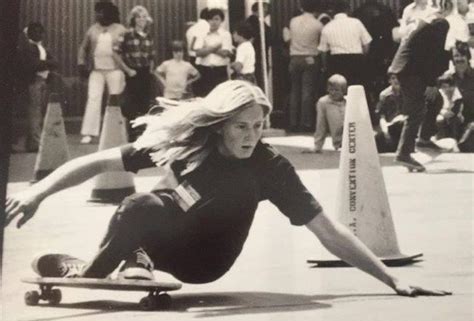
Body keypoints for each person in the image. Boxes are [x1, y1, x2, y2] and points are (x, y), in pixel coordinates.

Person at [5, 80, 451, 298]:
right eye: (241, 127)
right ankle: (127, 262)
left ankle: (95, 271)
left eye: (257, 127)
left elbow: (327, 230)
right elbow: (97, 161)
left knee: (144, 203)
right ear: (220, 126)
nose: (250, 137)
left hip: (208, 261)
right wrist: (37, 191)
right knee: (140, 203)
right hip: (165, 239)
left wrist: (392, 278)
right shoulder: (186, 143)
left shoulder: (270, 167)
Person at [388, 0, 453, 171]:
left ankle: (423, 138)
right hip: (411, 69)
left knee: (435, 100)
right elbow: (434, 54)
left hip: (406, 66)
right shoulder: (441, 22)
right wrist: (431, 82)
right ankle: (404, 153)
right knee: (416, 111)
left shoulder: (427, 19)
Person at [78, 1, 127, 145]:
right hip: (97, 71)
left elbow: (127, 48)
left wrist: (127, 69)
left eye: (100, 11)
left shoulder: (120, 29)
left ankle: (118, 131)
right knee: (93, 99)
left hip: (115, 71)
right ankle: (89, 133)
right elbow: (83, 47)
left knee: (116, 100)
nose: (97, 14)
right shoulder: (93, 29)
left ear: (108, 12)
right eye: (97, 12)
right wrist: (81, 63)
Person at [15, 22, 57, 153]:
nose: (39, 34)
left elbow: (54, 62)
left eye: (41, 31)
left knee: (37, 111)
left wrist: (46, 64)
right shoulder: (29, 48)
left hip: (41, 81)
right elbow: (34, 65)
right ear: (29, 33)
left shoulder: (40, 47)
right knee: (35, 112)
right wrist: (48, 64)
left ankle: (32, 142)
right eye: (35, 31)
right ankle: (35, 142)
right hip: (34, 82)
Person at [114, 5, 155, 142]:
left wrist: (150, 70)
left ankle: (144, 136)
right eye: (138, 17)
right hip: (133, 72)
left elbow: (151, 56)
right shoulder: (126, 34)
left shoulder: (148, 35)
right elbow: (115, 53)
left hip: (145, 72)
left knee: (145, 104)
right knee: (132, 105)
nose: (141, 20)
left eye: (144, 17)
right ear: (133, 19)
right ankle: (132, 137)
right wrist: (127, 70)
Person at [353, 0, 398, 111]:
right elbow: (392, 31)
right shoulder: (385, 10)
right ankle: (382, 104)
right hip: (383, 50)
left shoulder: (359, 11)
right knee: (383, 77)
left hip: (366, 50)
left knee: (367, 79)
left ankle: (370, 107)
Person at [318, 0, 372, 88]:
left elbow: (323, 51)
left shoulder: (327, 27)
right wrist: (362, 57)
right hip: (356, 59)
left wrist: (325, 66)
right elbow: (367, 43)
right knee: (356, 88)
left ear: (333, 11)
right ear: (348, 10)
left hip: (336, 61)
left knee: (339, 89)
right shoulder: (356, 23)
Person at [288, 0, 323, 132]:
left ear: (302, 7)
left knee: (294, 90)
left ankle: (293, 122)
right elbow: (321, 43)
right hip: (310, 58)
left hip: (294, 58)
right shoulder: (318, 24)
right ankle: (306, 123)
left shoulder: (293, 21)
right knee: (307, 91)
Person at [193, 8, 233, 96]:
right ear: (207, 20)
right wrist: (216, 47)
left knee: (221, 97)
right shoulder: (202, 34)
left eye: (216, 19)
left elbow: (225, 53)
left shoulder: (225, 35)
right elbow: (198, 53)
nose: (213, 22)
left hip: (220, 71)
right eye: (210, 19)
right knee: (204, 96)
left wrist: (207, 48)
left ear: (221, 20)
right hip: (204, 70)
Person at [304, 74, 347, 153]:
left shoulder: (349, 100)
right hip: (340, 143)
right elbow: (321, 125)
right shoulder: (324, 102)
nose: (333, 93)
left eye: (336, 90)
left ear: (343, 91)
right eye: (331, 89)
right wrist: (318, 145)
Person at [450, 42, 474, 151]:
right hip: (452, 123)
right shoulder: (446, 78)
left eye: (462, 55)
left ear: (468, 57)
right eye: (456, 56)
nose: (459, 59)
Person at [375, 73, 406, 153]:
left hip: (404, 124)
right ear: (389, 80)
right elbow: (381, 116)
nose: (396, 80)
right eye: (393, 78)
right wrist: (385, 131)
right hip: (390, 125)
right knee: (379, 139)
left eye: (399, 78)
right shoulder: (384, 95)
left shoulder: (407, 92)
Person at [245, 1, 273, 90]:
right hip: (258, 57)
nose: (267, 13)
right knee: (259, 84)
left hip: (255, 56)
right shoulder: (257, 24)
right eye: (265, 10)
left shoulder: (248, 22)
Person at [436, 73, 465, 140]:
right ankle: (440, 141)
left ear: (453, 86)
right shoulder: (439, 93)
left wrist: (447, 114)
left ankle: (454, 140)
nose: (446, 89)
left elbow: (455, 111)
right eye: (443, 87)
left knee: (454, 120)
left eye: (448, 86)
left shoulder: (457, 95)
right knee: (439, 120)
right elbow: (436, 107)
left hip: (455, 116)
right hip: (441, 114)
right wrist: (442, 113)